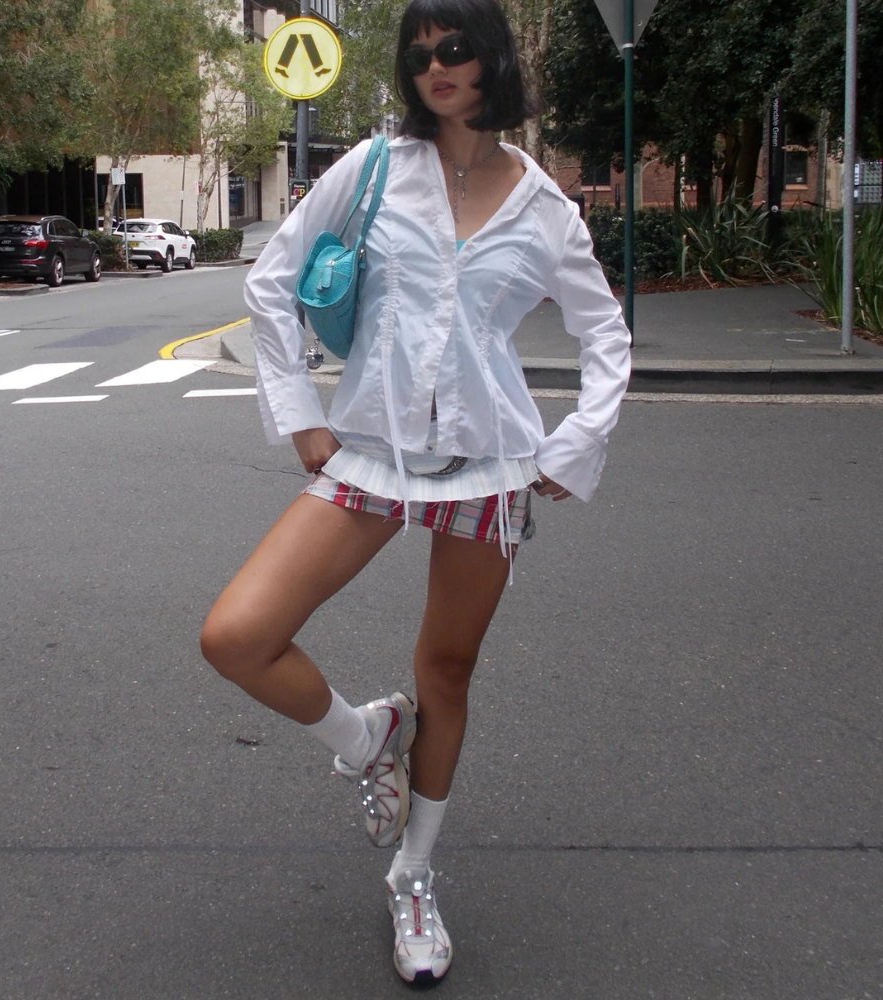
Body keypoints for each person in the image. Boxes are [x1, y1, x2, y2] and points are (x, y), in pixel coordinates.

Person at [200, 0, 631, 984]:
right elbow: (271, 280)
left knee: (446, 672)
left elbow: (604, 332)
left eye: (456, 49)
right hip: (370, 452)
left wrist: (576, 445)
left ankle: (414, 876)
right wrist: (299, 413)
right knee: (236, 635)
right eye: (420, 52)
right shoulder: (373, 168)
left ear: (492, 62)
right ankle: (368, 737)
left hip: (489, 465)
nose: (436, 64)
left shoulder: (543, 207)